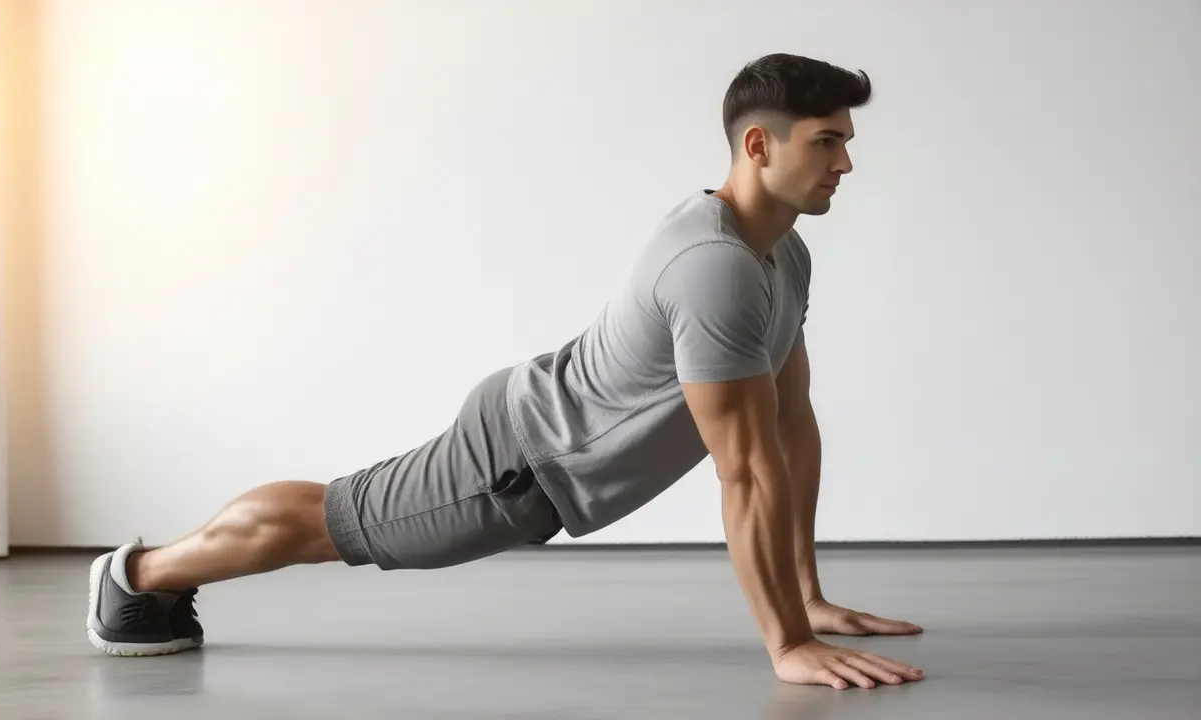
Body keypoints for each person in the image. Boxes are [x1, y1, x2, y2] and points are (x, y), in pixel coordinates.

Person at [85, 52, 926, 691]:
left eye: (846, 144)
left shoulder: (784, 255)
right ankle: (136, 577)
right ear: (757, 144)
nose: (845, 164)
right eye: (827, 143)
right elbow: (744, 475)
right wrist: (787, 643)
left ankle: (148, 577)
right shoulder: (717, 268)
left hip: (539, 438)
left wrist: (809, 596)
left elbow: (790, 424)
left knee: (330, 517)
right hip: (519, 461)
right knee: (327, 524)